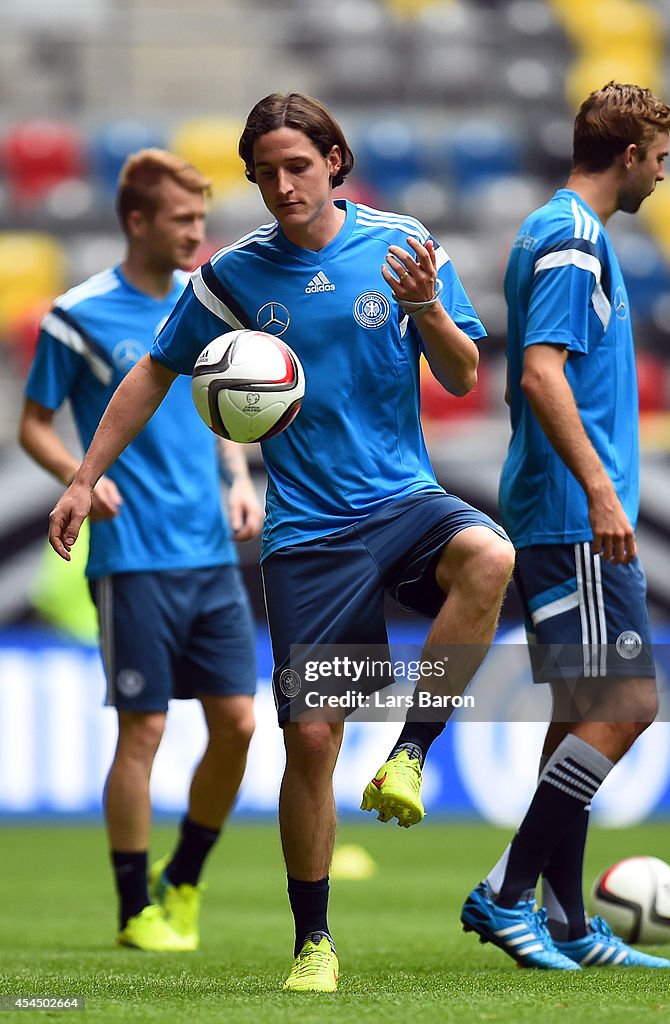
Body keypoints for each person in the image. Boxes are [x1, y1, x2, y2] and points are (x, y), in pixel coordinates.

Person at [46, 94, 515, 991]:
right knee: (310, 741)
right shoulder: (233, 278)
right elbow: (153, 371)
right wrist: (81, 476)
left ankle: (411, 755)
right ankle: (314, 942)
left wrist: (426, 311)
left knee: (490, 556)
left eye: (296, 166)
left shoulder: (403, 244)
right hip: (310, 536)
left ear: (335, 161)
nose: (280, 186)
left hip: (404, 500)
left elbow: (462, 377)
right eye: (263, 173)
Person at [459, 82, 670, 970]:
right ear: (627, 154)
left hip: (563, 508)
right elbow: (542, 373)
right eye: (661, 158)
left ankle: (570, 924)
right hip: (569, 512)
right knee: (628, 707)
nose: (665, 175)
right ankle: (506, 893)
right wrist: (601, 490)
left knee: (583, 708)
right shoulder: (572, 241)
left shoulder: (567, 233)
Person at [20, 149, 261, 952]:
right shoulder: (77, 316)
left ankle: (183, 878)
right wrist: (78, 477)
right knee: (145, 731)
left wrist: (236, 475)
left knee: (238, 724)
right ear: (137, 222)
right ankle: (133, 910)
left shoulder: (209, 308)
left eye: (201, 217)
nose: (198, 232)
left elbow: (219, 402)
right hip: (131, 558)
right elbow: (34, 422)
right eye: (182, 219)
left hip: (209, 552)